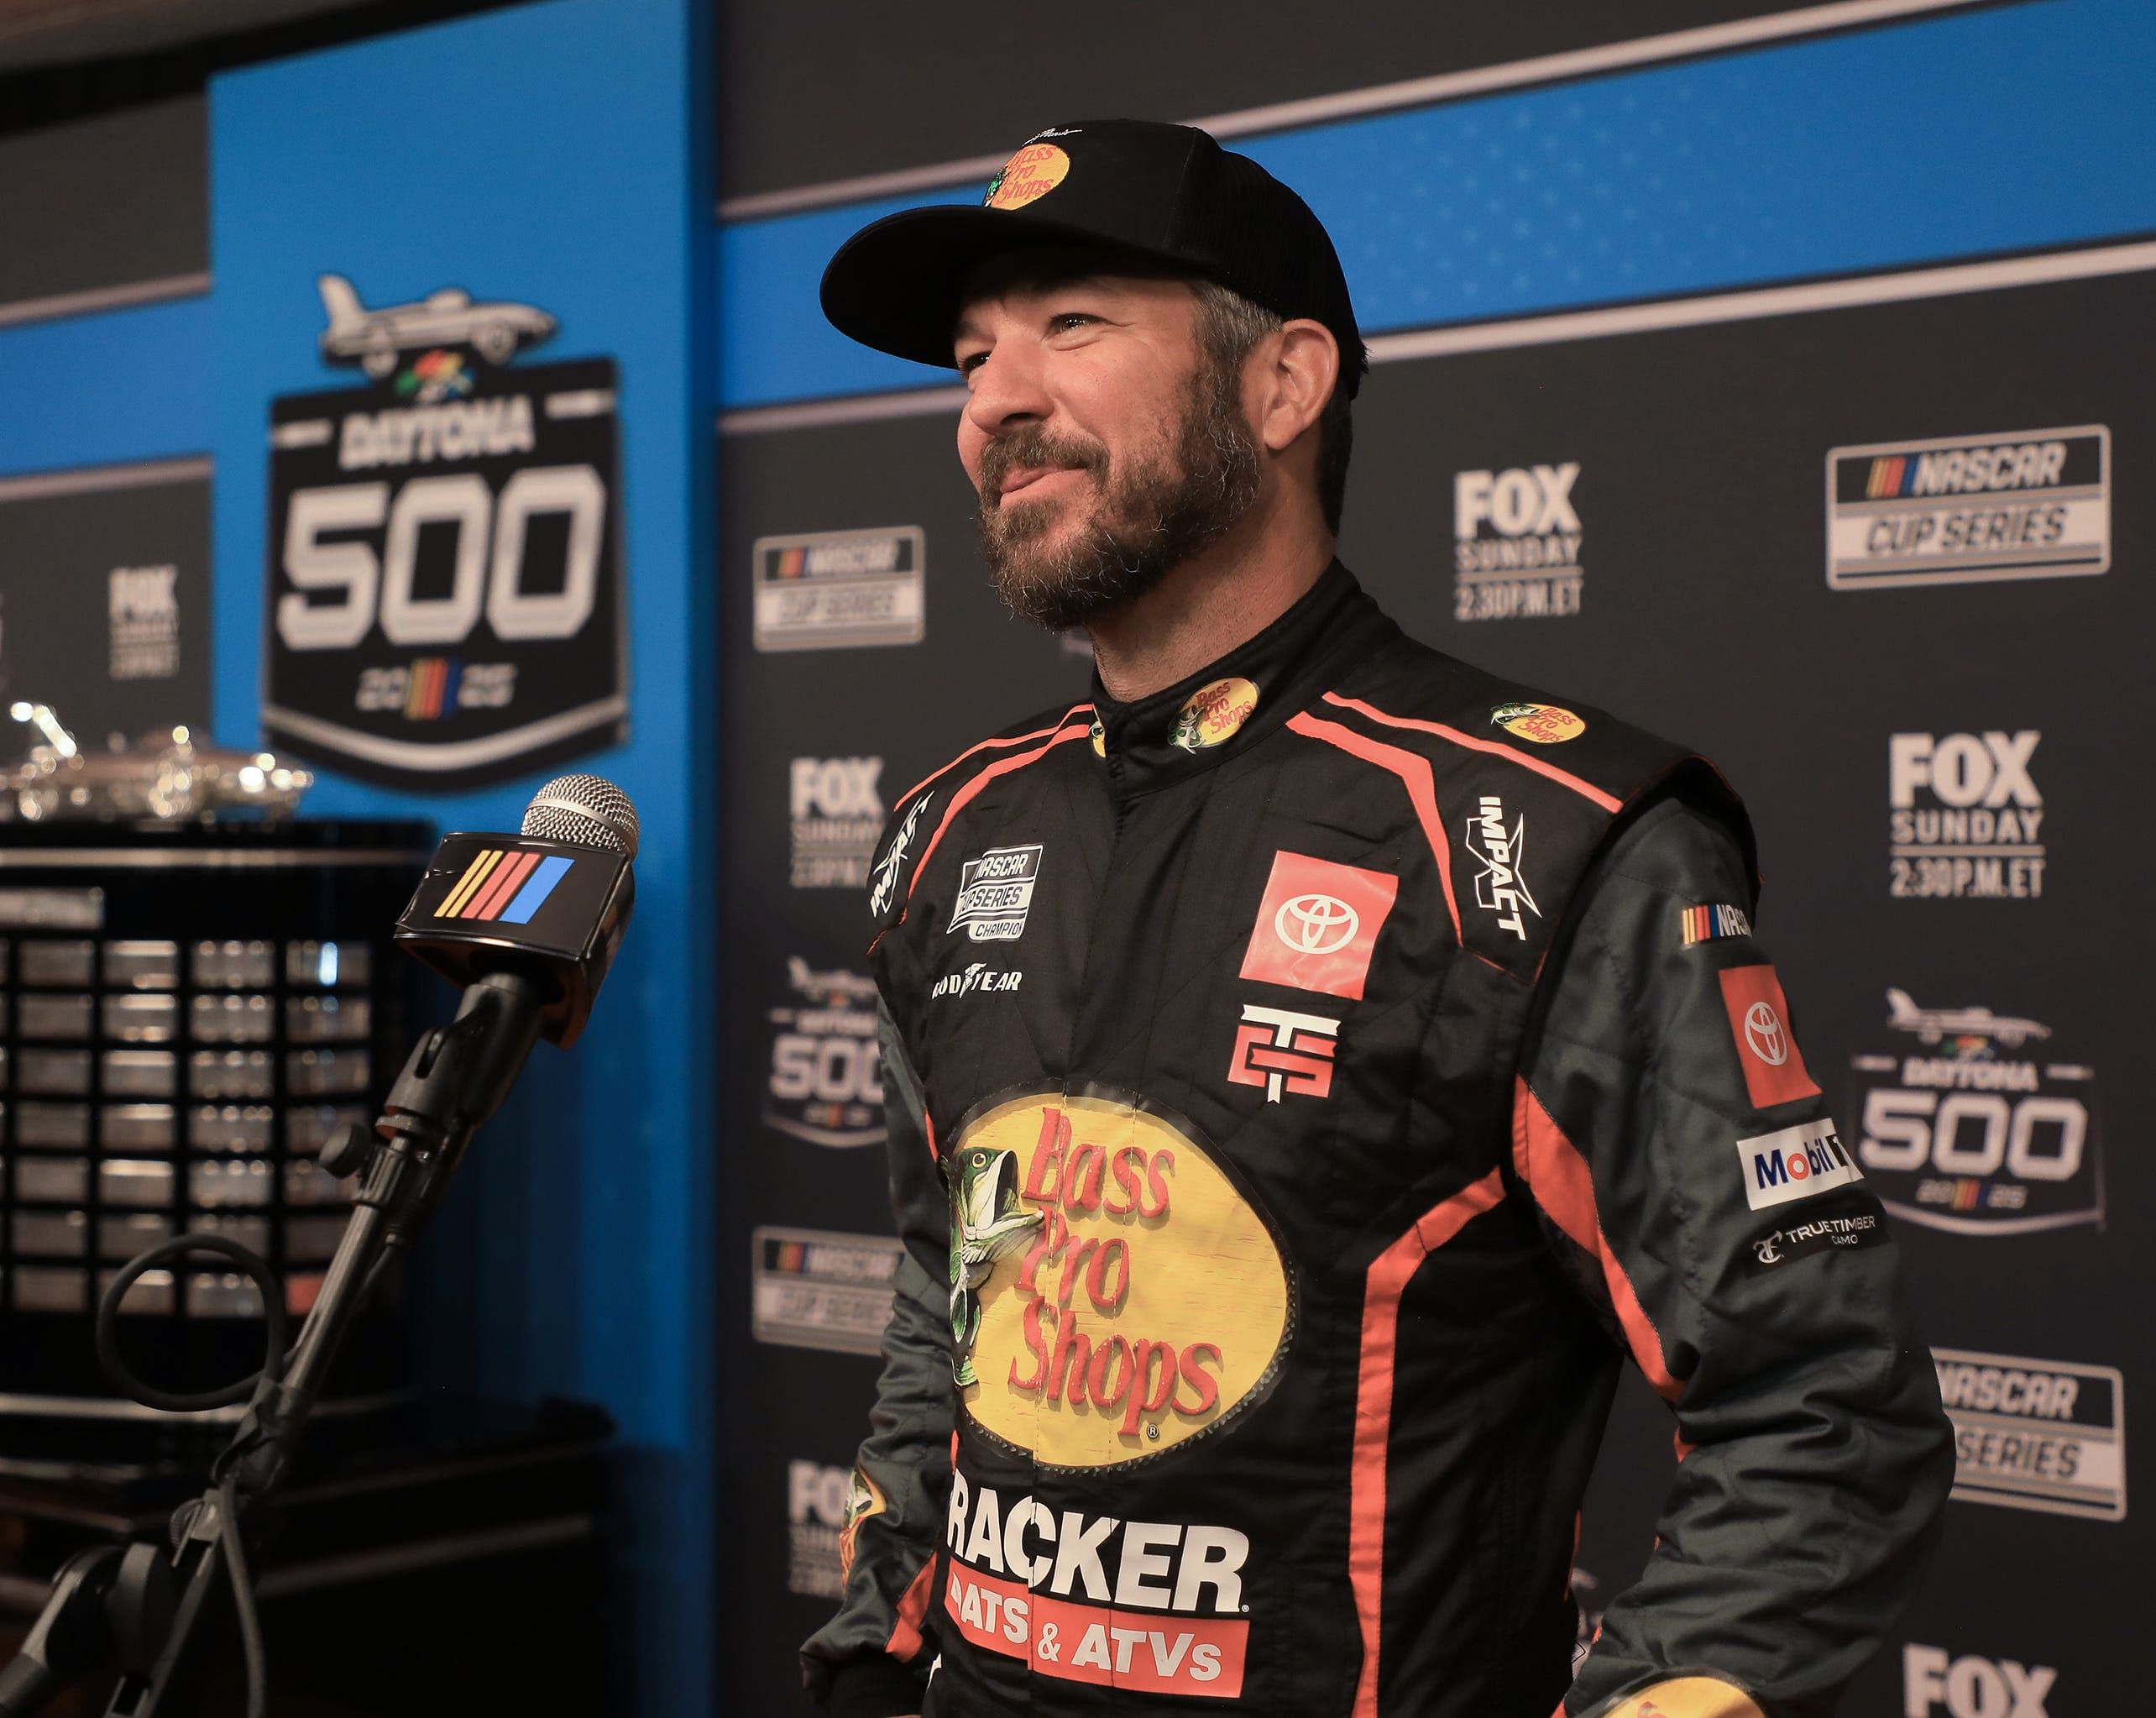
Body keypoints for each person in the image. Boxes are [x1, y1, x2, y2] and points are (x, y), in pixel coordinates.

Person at [794, 120, 1951, 1718]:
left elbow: (1824, 1408)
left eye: (1071, 326)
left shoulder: (1543, 836)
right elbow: (952, 1288)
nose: (997, 398)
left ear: (1284, 386)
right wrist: (878, 1637)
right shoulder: (951, 828)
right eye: (974, 357)